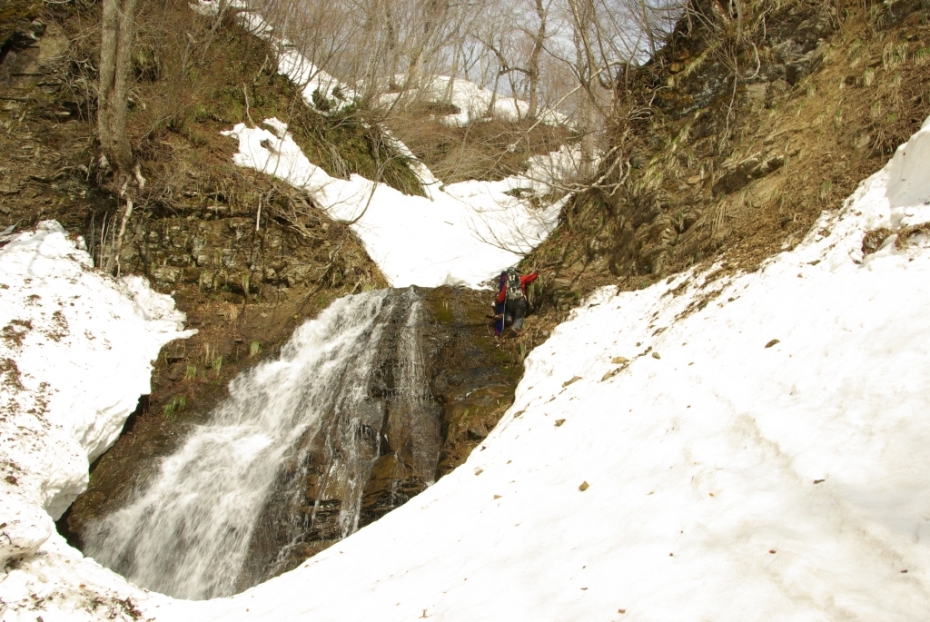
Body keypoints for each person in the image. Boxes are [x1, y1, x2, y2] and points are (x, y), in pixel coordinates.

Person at [495, 266, 539, 336]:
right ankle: (515, 328)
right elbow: (530, 277)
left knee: (508, 310)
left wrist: (498, 301)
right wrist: (536, 273)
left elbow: (502, 296)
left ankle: (508, 318)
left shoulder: (506, 284)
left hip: (510, 302)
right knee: (519, 317)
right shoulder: (521, 279)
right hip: (520, 302)